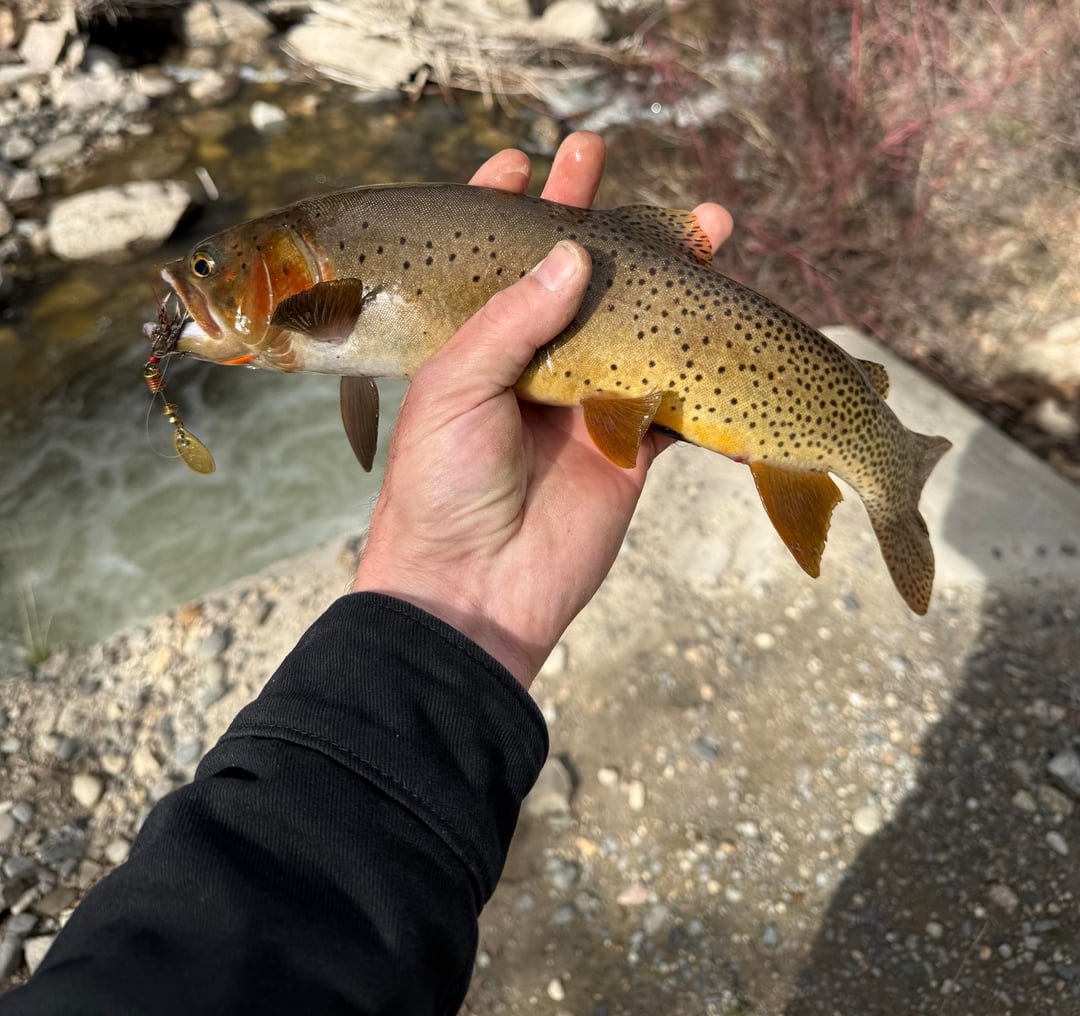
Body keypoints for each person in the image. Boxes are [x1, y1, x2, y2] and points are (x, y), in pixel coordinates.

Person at [2, 133, 731, 1015]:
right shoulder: (314, 310)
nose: (191, 285)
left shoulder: (315, 304)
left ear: (290, 271)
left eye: (205, 267)